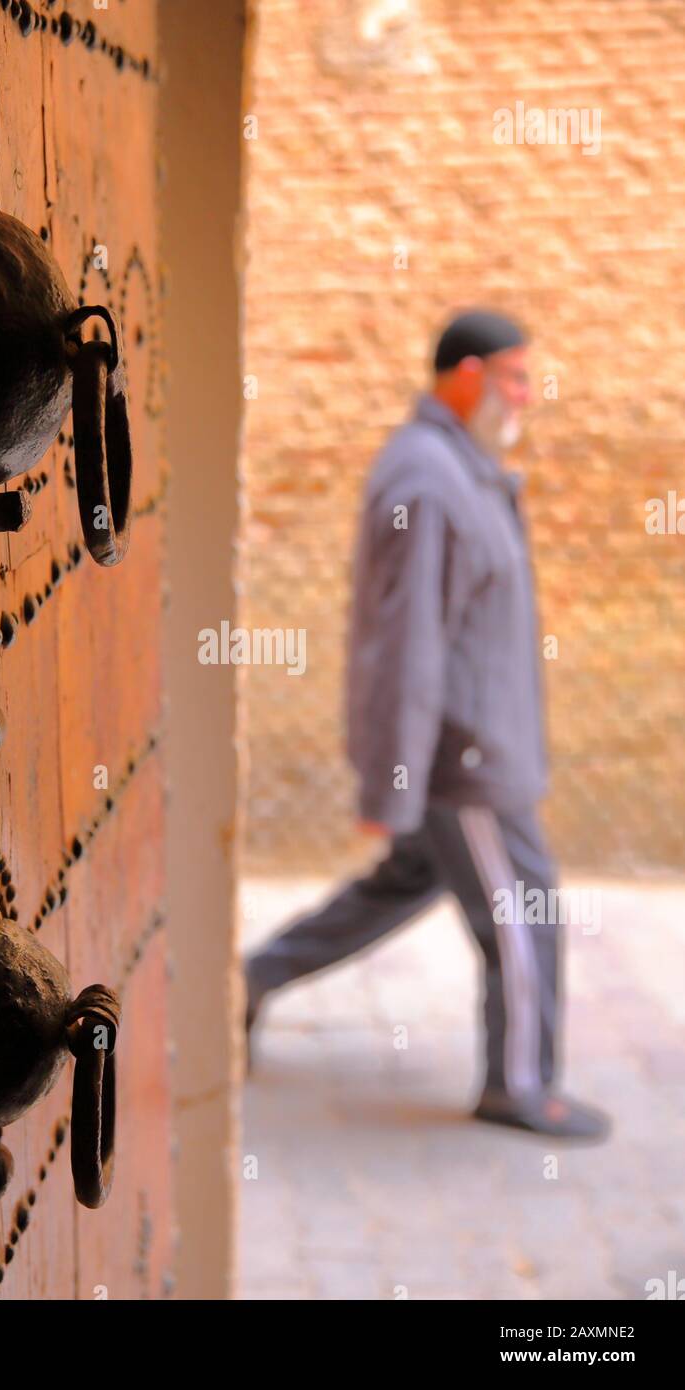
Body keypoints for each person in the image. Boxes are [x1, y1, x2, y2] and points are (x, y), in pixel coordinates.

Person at [244, 309, 610, 1142]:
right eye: (517, 376)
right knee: (525, 909)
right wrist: (394, 779)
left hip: (474, 747)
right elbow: (405, 643)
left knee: (404, 882)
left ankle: (249, 982)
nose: (528, 394)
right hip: (463, 759)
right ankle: (521, 1084)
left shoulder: (461, 465)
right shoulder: (428, 477)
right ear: (471, 373)